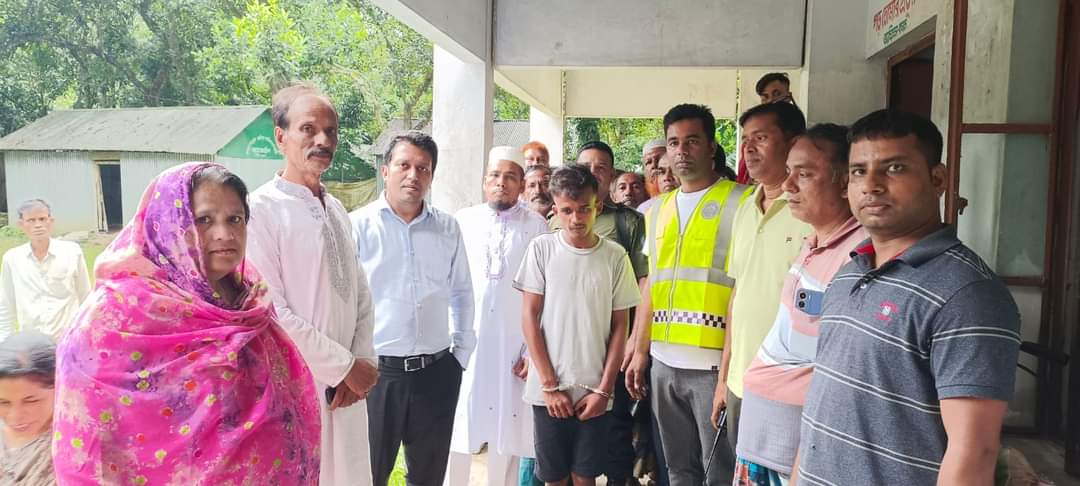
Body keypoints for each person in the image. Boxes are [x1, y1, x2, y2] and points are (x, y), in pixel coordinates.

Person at [53, 163, 321, 484]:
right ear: (169, 223)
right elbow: (84, 444)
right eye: (204, 220)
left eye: (235, 219)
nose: (224, 234)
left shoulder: (251, 302)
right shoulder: (115, 318)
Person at [797, 110, 1021, 484]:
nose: (871, 185)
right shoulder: (850, 271)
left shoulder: (968, 294)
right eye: (858, 171)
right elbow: (822, 406)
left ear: (938, 179)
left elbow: (974, 452)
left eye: (894, 168)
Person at [246, 84, 378, 486]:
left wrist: (362, 362)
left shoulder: (336, 208)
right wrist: (343, 367)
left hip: (347, 390)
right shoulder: (260, 210)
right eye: (308, 129)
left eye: (330, 131)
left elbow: (360, 293)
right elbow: (272, 311)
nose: (323, 140)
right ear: (280, 136)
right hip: (298, 385)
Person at [625, 103, 753, 486]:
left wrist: (727, 372)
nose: (681, 151)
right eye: (673, 142)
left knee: (719, 472)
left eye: (692, 141)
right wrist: (640, 350)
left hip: (713, 365)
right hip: (664, 363)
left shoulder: (743, 202)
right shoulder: (656, 210)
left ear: (712, 146)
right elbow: (651, 285)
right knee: (678, 471)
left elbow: (745, 287)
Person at [732, 124, 863, 485]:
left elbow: (840, 372)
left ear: (844, 182)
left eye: (803, 174)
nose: (787, 185)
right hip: (768, 442)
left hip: (799, 456)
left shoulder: (858, 256)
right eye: (789, 172)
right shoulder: (814, 242)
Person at [351, 131, 475, 486]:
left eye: (423, 168)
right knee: (368, 474)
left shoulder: (447, 227)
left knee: (428, 477)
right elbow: (345, 301)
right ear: (385, 170)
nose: (413, 175)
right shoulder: (357, 225)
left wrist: (460, 355)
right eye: (404, 165)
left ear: (431, 176)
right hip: (376, 375)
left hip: (436, 373)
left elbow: (462, 291)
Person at [515, 164, 641, 486]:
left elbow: (620, 326)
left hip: (594, 390)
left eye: (584, 208)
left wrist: (604, 390)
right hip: (547, 391)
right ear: (555, 210)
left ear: (598, 205)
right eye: (567, 210)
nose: (576, 218)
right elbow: (529, 317)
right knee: (554, 478)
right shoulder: (542, 249)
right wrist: (549, 386)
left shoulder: (614, 256)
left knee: (585, 477)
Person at [447, 147, 549, 486]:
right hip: (466, 342)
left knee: (509, 431)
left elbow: (545, 292)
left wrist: (532, 352)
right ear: (484, 181)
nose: (501, 183)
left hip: (513, 345)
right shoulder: (463, 221)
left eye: (510, 177)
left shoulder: (537, 227)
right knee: (457, 425)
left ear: (521, 184)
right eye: (494, 175)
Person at [715, 101, 811, 457]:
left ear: (793, 143)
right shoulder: (745, 208)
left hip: (789, 387)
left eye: (761, 138)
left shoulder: (811, 211)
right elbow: (738, 296)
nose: (749, 148)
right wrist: (724, 378)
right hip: (741, 382)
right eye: (745, 140)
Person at [0, 200, 91, 341]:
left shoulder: (72, 252)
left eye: (42, 219)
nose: (38, 225)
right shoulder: (12, 259)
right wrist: (5, 343)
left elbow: (86, 297)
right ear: (21, 224)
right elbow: (6, 305)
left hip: (67, 339)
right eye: (31, 220)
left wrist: (87, 336)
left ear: (51, 221)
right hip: (31, 343)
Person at [0, 331, 58, 485]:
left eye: (31, 401)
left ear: (59, 388)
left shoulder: (72, 447)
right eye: (3, 402)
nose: (15, 417)